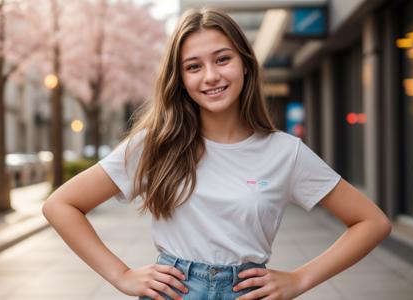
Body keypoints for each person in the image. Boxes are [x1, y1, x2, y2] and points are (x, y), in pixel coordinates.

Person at [43, 7, 392, 300]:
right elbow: (61, 205)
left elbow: (372, 222)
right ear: (180, 78)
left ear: (245, 64)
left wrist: (300, 279)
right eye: (194, 66)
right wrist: (121, 276)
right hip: (174, 291)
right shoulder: (156, 143)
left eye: (222, 59)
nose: (210, 76)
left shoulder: (285, 151)